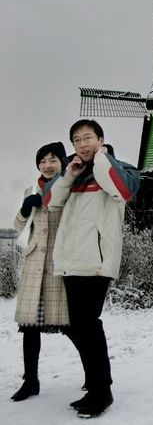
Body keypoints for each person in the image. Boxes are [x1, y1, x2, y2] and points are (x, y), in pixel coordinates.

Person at [43, 119, 140, 418]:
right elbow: (49, 202)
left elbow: (122, 190)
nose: (82, 144)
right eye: (76, 140)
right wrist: (68, 176)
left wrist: (101, 157)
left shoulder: (119, 168)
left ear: (101, 139)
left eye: (88, 138)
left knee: (88, 324)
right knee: (77, 325)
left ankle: (102, 391)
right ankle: (98, 383)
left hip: (96, 262)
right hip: (71, 262)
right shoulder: (72, 175)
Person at [10, 142, 70, 402]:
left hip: (60, 261)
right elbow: (17, 226)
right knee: (30, 326)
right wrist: (25, 209)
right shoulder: (30, 190)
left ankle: (96, 376)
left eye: (53, 160)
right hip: (35, 263)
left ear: (62, 163)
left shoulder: (70, 188)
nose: (47, 165)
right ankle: (30, 381)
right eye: (43, 160)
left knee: (73, 325)